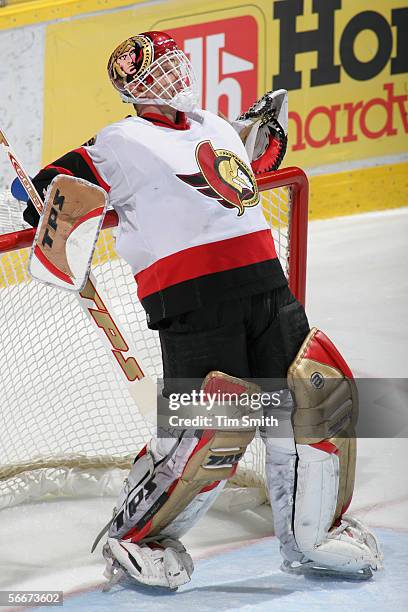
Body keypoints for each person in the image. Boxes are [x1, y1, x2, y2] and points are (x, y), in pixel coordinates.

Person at [23, 31, 381, 590]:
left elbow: (231, 179)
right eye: (159, 73)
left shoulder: (214, 123)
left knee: (312, 402)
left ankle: (310, 534)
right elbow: (49, 190)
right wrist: (52, 199)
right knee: (210, 429)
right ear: (134, 89)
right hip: (191, 299)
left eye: (175, 66)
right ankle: (136, 538)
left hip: (267, 284)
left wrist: (258, 136)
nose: (175, 79)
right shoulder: (120, 140)